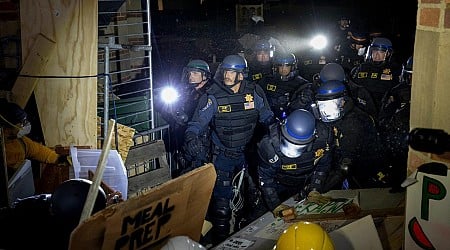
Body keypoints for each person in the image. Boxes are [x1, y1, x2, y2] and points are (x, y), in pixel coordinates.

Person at [184, 54, 274, 244]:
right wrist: (191, 137)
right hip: (223, 155)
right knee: (222, 207)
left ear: (241, 75)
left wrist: (277, 132)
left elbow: (267, 117)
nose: (227, 75)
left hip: (248, 155)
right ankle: (221, 244)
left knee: (256, 197)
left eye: (232, 72)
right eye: (226, 71)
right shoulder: (213, 95)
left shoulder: (254, 92)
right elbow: (197, 122)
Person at [257, 109, 334, 219]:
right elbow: (265, 178)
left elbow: (323, 165)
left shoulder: (324, 138)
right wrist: (275, 205)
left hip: (307, 179)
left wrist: (315, 189)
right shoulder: (269, 145)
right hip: (279, 184)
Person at [313, 80, 384, 190]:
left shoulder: (355, 122)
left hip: (364, 168)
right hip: (339, 162)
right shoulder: (332, 118)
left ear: (342, 102)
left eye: (331, 105)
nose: (326, 111)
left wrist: (320, 189)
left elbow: (345, 164)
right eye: (323, 106)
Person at [154, 59, 213, 176]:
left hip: (201, 144)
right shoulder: (189, 92)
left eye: (195, 73)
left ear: (205, 75)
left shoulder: (210, 94)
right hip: (186, 143)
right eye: (189, 73)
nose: (191, 76)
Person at [378, 56, 413, 192]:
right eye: (410, 76)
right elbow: (384, 118)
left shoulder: (432, 94)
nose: (412, 80)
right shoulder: (396, 91)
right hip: (399, 141)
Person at [0, 100, 61, 178]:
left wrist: (58, 159)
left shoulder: (19, 141)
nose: (25, 125)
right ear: (7, 128)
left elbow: (37, 151)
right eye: (22, 123)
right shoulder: (5, 148)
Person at [350, 37, 401, 119]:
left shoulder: (394, 70)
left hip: (382, 110)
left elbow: (398, 91)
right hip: (361, 108)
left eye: (380, 52)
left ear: (388, 54)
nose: (376, 55)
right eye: (374, 51)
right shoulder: (362, 68)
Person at [258, 52, 310, 120]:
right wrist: (275, 101)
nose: (283, 69)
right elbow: (259, 99)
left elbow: (304, 109)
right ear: (276, 67)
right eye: (280, 66)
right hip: (268, 117)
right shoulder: (266, 80)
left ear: (293, 67)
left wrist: (293, 102)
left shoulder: (302, 84)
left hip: (291, 118)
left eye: (287, 66)